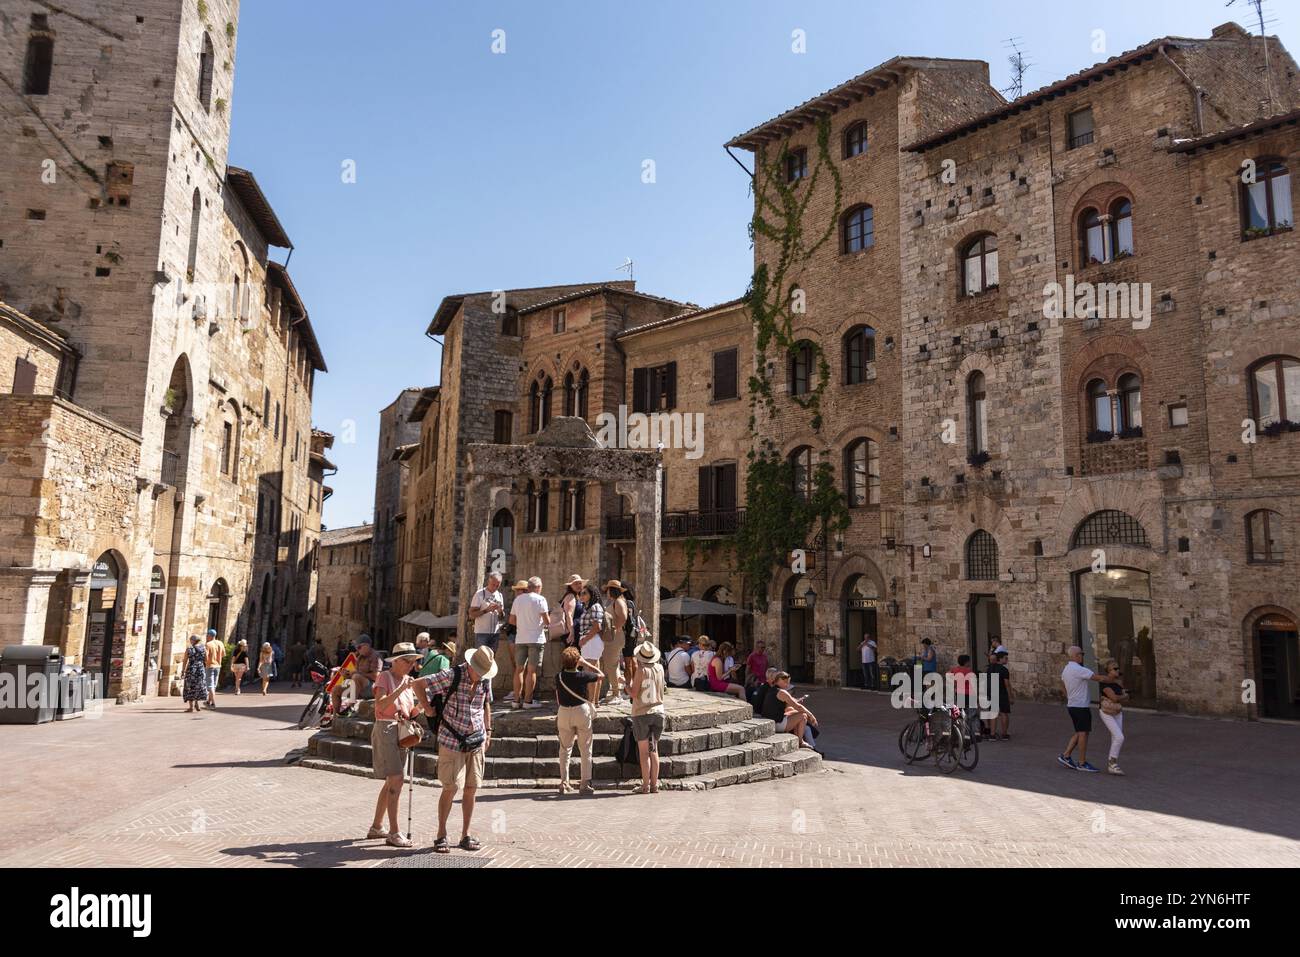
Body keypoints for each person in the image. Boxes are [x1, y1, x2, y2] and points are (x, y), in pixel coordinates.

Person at [413, 645, 496, 854]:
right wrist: (429, 710)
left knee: (471, 788)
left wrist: (488, 730)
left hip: (476, 740)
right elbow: (418, 684)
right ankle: (441, 834)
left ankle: (465, 834)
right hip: (451, 740)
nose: (483, 676)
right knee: (450, 788)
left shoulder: (484, 679)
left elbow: (486, 704)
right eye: (480, 671)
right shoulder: (452, 675)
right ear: (470, 665)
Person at [367, 642, 422, 848]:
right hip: (386, 729)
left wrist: (419, 710)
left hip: (401, 731)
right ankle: (394, 832)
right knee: (397, 779)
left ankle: (376, 827)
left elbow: (408, 710)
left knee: (392, 781)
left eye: (414, 661)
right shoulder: (385, 677)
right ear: (396, 661)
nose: (411, 665)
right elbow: (380, 704)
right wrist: (400, 689)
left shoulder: (409, 680)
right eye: (407, 661)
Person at [555, 646, 603, 795]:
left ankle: (564, 782)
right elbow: (601, 675)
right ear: (577, 662)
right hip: (581, 711)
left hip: (564, 711)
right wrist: (586, 663)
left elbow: (557, 696)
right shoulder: (583, 675)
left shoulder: (559, 677)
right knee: (586, 748)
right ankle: (585, 783)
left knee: (564, 749)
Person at [1059, 645, 1107, 772]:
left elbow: (1062, 684)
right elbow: (1097, 678)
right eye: (1081, 654)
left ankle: (1066, 755)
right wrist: (1112, 678)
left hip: (1073, 705)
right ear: (1075, 656)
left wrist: (1069, 696)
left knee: (1081, 732)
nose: (1082, 656)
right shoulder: (1078, 669)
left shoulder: (1066, 669)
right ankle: (1081, 762)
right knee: (1083, 734)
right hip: (1080, 706)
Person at [629, 641, 667, 793]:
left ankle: (645, 786)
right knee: (654, 750)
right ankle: (655, 785)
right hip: (658, 712)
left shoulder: (641, 670)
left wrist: (624, 685)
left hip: (642, 714)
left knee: (644, 753)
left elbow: (633, 693)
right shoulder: (659, 668)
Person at [508, 576, 549, 709]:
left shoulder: (518, 600)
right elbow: (547, 621)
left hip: (520, 638)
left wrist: (523, 624)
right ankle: (528, 701)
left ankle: (515, 700)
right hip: (536, 639)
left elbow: (512, 621)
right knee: (531, 671)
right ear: (538, 587)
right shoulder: (541, 599)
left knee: (519, 670)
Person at [762, 672, 817, 749]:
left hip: (771, 721)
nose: (787, 684)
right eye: (785, 682)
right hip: (777, 724)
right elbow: (798, 706)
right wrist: (811, 715)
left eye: (788, 682)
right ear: (779, 680)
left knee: (792, 710)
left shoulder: (772, 689)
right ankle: (800, 741)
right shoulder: (782, 692)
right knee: (803, 715)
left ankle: (797, 736)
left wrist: (795, 704)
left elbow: (785, 706)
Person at [1098, 658, 1129, 775]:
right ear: (1109, 671)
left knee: (1115, 737)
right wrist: (1123, 696)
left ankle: (1112, 764)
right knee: (1119, 737)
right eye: (1114, 668)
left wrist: (1123, 696)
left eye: (1118, 668)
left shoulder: (1118, 682)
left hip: (1117, 712)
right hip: (1106, 712)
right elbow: (1115, 698)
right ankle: (1112, 763)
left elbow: (1126, 698)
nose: (1117, 670)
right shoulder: (1105, 683)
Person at [601, 580, 629, 703]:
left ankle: (616, 694)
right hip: (615, 636)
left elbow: (623, 618)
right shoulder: (617, 601)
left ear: (611, 590)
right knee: (613, 664)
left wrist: (614, 630)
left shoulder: (618, 601)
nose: (606, 592)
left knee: (610, 665)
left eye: (607, 590)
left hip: (615, 637)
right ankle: (619, 688)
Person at [500, 580, 528, 702]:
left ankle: (522, 691)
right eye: (517, 590)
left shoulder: (526, 602)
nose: (517, 592)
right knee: (515, 664)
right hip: (514, 633)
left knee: (520, 665)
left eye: (519, 589)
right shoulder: (517, 602)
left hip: (520, 635)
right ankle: (518, 690)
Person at [468, 573, 505, 651]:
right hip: (482, 633)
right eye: (493, 584)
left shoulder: (500, 595)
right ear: (489, 581)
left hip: (495, 633)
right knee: (481, 657)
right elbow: (471, 614)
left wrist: (500, 611)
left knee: (492, 658)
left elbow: (502, 617)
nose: (495, 587)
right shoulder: (480, 594)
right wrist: (486, 610)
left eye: (497, 585)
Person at [985, 649, 1012, 740]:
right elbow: (1007, 684)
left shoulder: (990, 668)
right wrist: (1010, 696)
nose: (1007, 660)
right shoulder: (1004, 670)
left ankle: (992, 734)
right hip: (1002, 693)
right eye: (1005, 658)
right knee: (1004, 713)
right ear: (999, 659)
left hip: (993, 692)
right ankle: (1004, 734)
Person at [182, 635, 207, 712]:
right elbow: (206, 659)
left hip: (191, 669)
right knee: (198, 686)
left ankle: (191, 707)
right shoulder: (203, 648)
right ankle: (196, 703)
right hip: (200, 669)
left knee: (190, 687)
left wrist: (183, 670)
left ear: (193, 641)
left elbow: (185, 660)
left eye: (190, 640)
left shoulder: (189, 649)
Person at [203, 628, 223, 710]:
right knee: (213, 685)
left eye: (207, 635)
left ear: (210, 635)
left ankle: (213, 703)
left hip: (210, 666)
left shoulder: (208, 644)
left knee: (210, 686)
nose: (207, 637)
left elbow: (206, 656)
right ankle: (208, 701)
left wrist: (205, 662)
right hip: (218, 666)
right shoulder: (220, 643)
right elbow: (223, 654)